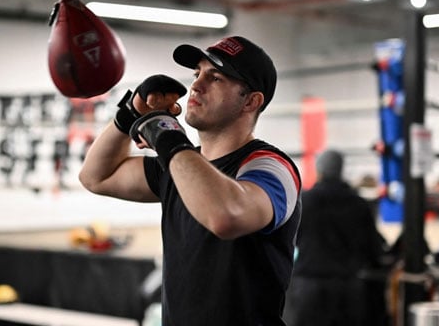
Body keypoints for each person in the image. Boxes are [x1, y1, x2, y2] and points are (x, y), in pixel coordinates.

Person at [79, 35, 302, 325]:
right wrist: (129, 115)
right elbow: (96, 176)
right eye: (198, 73)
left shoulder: (271, 166)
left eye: (216, 77)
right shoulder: (177, 165)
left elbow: (226, 215)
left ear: (251, 101)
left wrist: (168, 140)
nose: (196, 85)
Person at [284, 149, 389, 326]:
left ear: (319, 171)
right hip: (347, 289)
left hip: (308, 289)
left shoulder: (303, 202)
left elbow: (286, 242)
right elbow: (374, 249)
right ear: (341, 170)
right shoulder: (359, 205)